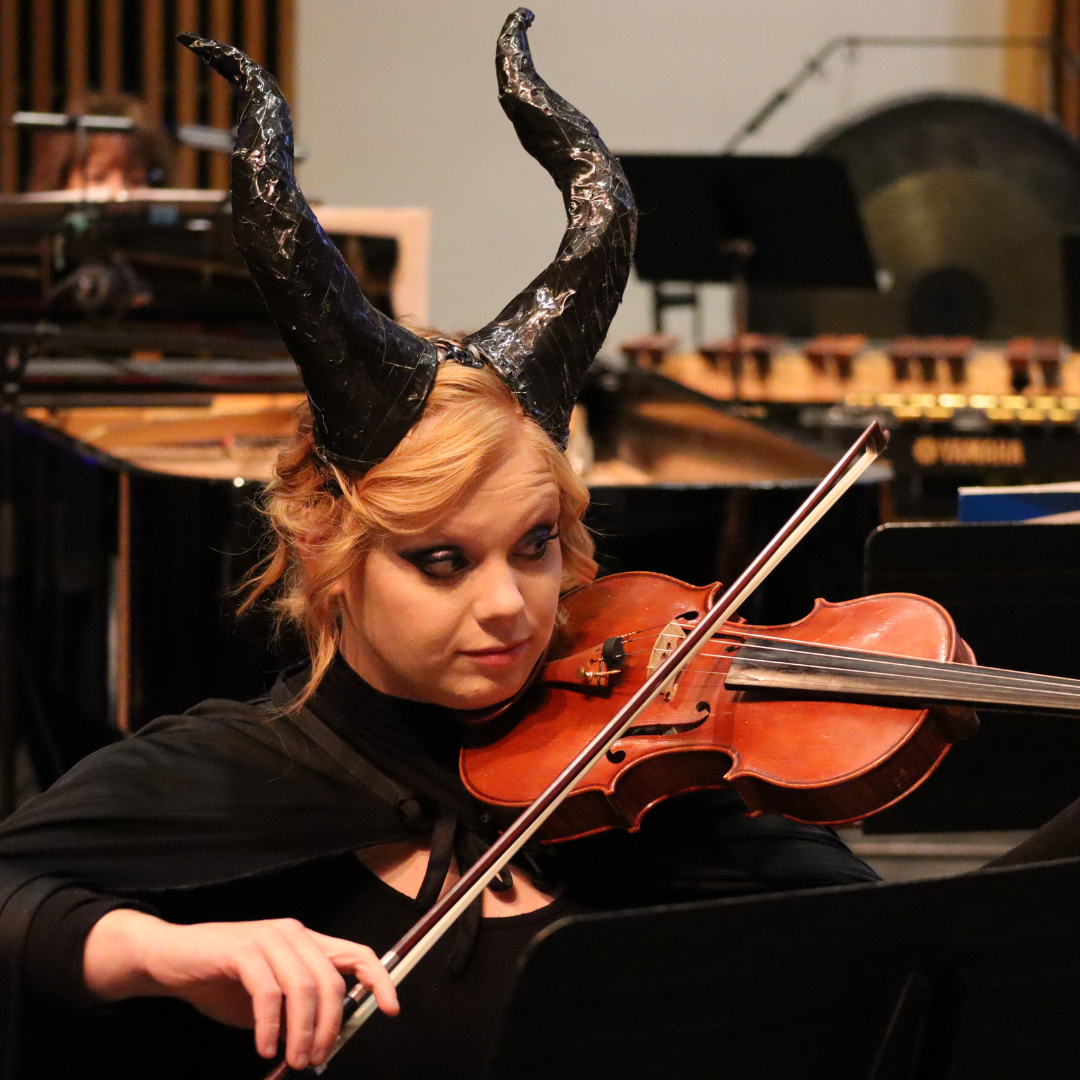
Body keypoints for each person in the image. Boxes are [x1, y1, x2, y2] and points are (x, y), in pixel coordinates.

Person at [9, 10, 1076, 1080]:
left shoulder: (664, 805)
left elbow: (929, 972)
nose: (512, 605)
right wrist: (152, 949)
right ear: (330, 561)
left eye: (533, 546)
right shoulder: (232, 775)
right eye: (441, 561)